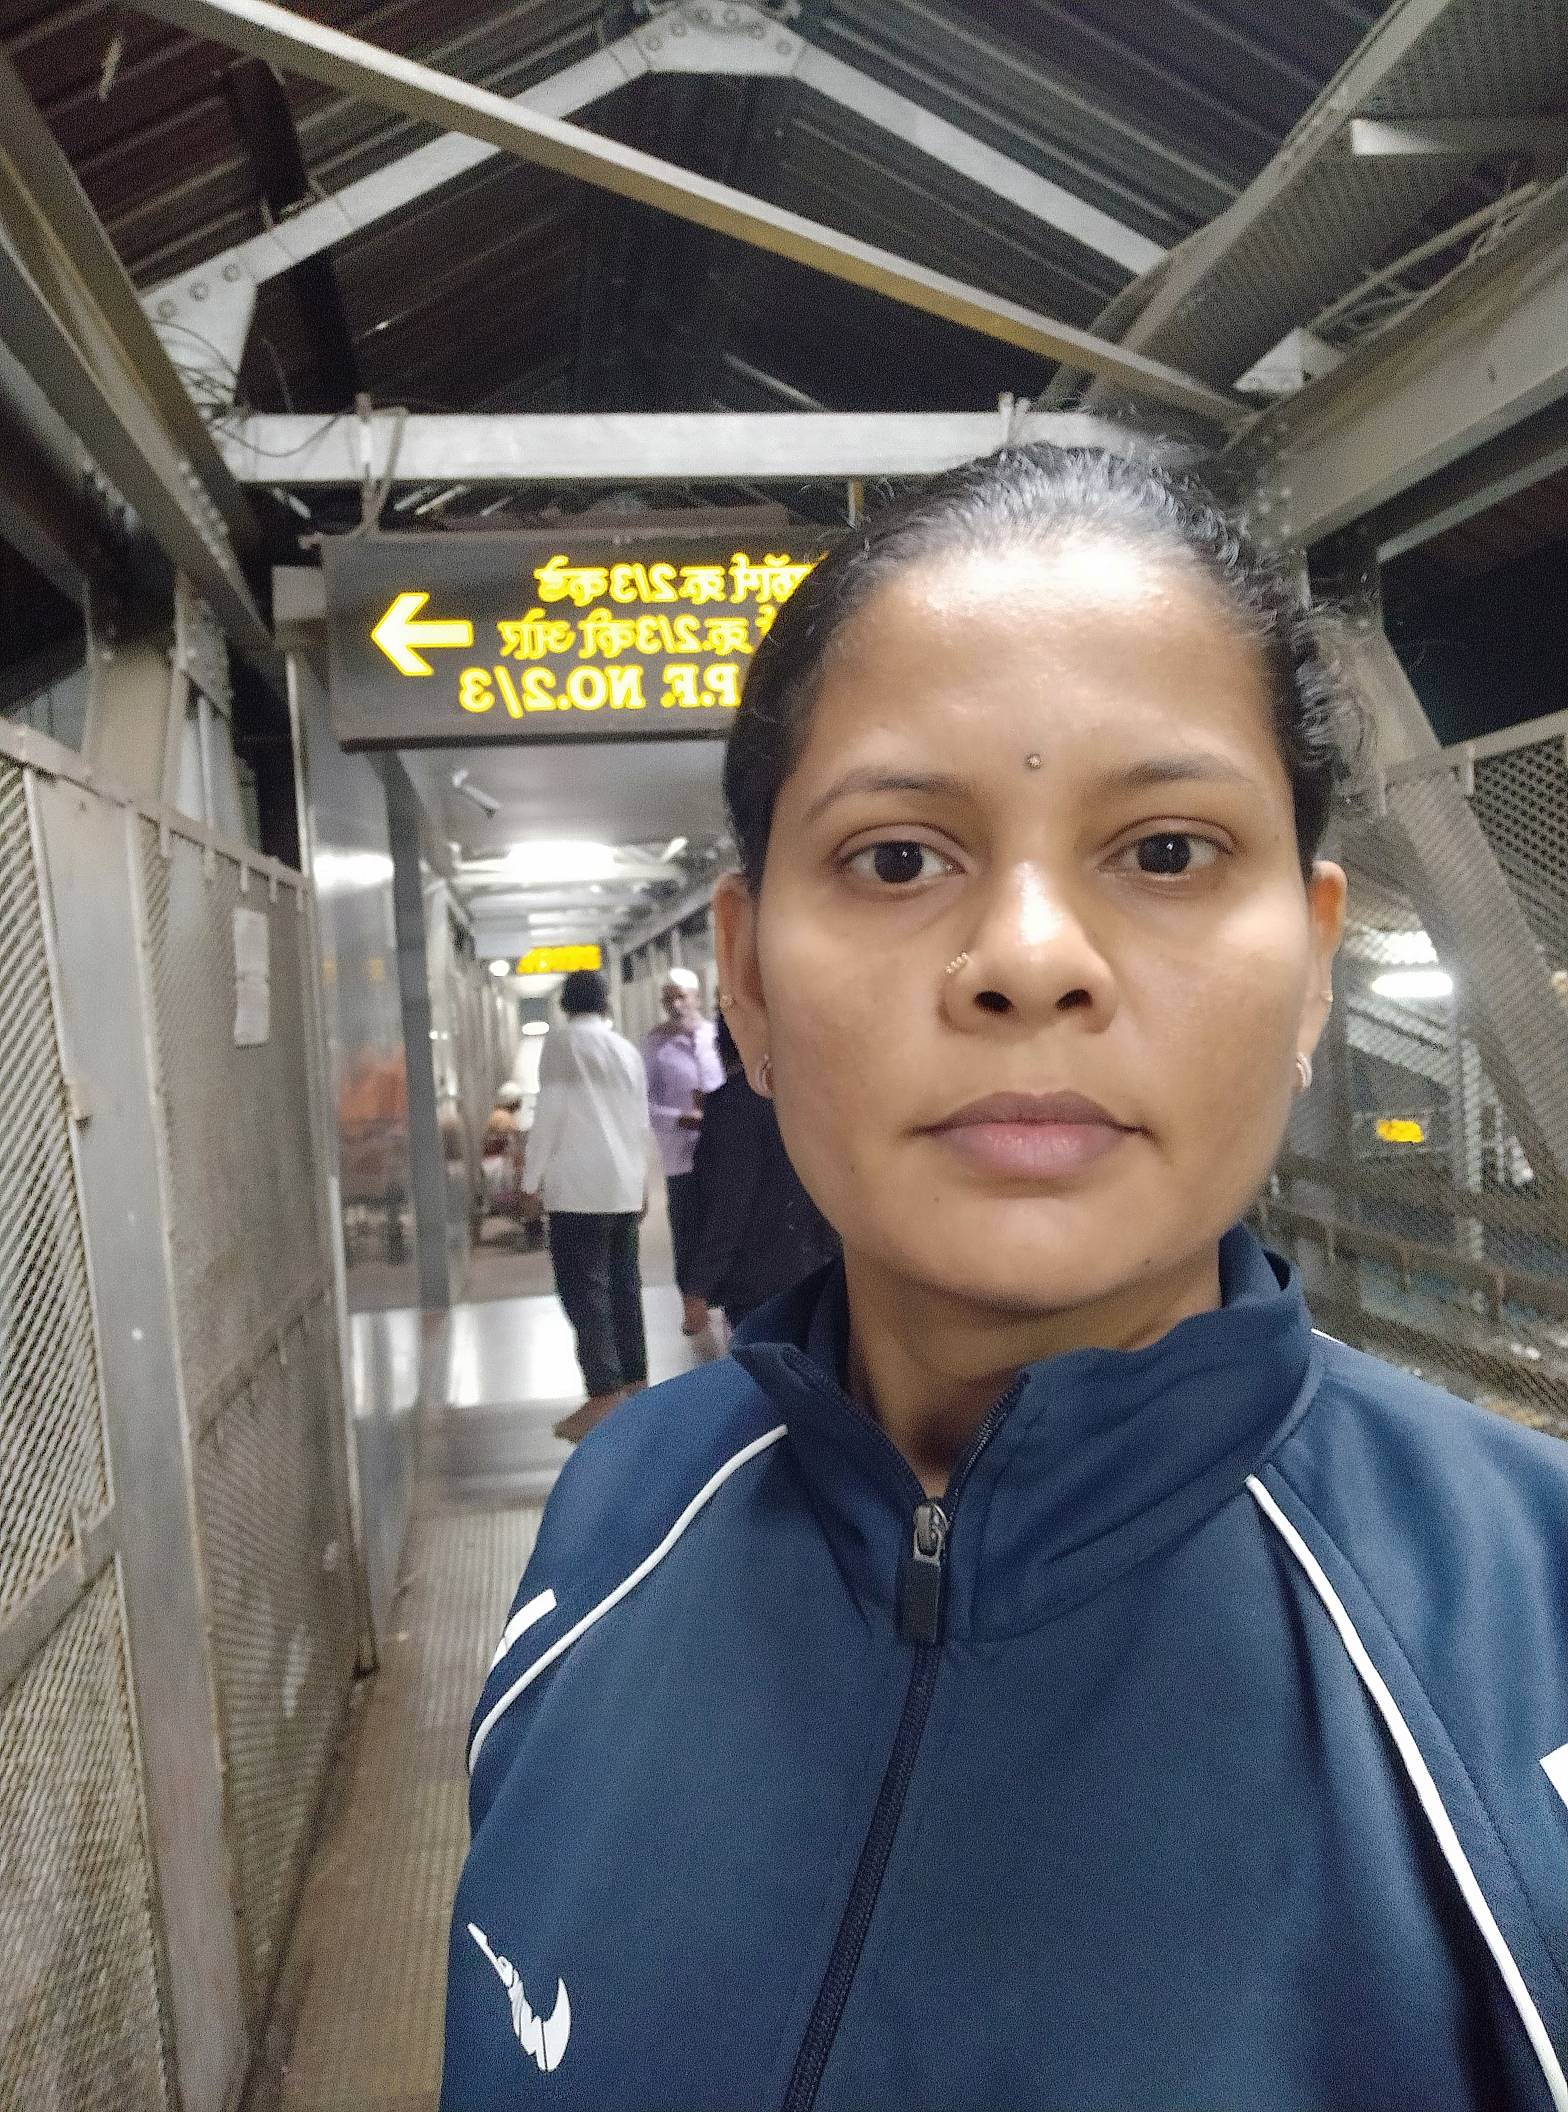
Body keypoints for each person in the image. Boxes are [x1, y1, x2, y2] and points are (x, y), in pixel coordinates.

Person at [444, 448, 1568, 2111]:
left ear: (1316, 963)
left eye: (1167, 849)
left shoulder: (1530, 1628)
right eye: (898, 859)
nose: (1030, 958)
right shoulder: (615, 1522)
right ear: (744, 980)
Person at [521, 969, 651, 1444]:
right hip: (622, 1186)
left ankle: (603, 1395)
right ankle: (635, 1385)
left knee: (584, 1290)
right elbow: (638, 1121)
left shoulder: (562, 1044)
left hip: (578, 1191)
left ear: (565, 1005)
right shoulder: (626, 1050)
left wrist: (530, 1181)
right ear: (606, 1002)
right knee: (624, 1287)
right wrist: (641, 1183)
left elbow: (550, 1113)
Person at [687, 1013, 837, 1330]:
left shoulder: (734, 1105)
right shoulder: (814, 1096)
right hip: (817, 1268)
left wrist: (700, 1285)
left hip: (759, 1278)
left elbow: (729, 1200)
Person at [642, 964, 725, 1335]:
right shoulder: (654, 1046)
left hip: (723, 1152)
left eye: (681, 997)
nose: (676, 1005)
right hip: (682, 1156)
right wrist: (679, 1118)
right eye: (668, 999)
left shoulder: (716, 1036)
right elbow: (643, 1102)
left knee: (723, 1226)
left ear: (697, 998)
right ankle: (693, 1304)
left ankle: (726, 1300)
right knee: (688, 1231)